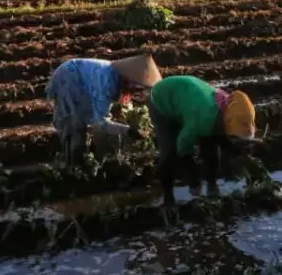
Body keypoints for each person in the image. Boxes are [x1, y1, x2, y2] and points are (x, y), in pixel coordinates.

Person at [147, 75, 257, 207]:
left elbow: (225, 141)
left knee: (211, 144)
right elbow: (182, 145)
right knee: (170, 152)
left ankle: (212, 184)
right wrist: (193, 179)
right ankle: (168, 196)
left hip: (190, 97)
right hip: (162, 98)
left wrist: (240, 157)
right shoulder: (205, 120)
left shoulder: (230, 109)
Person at [45, 54, 162, 164]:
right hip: (69, 78)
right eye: (136, 88)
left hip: (79, 82)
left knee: (80, 124)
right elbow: (102, 123)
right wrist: (129, 131)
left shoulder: (118, 76)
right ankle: (73, 166)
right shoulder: (107, 83)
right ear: (129, 81)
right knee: (75, 126)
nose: (136, 92)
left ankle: (77, 161)